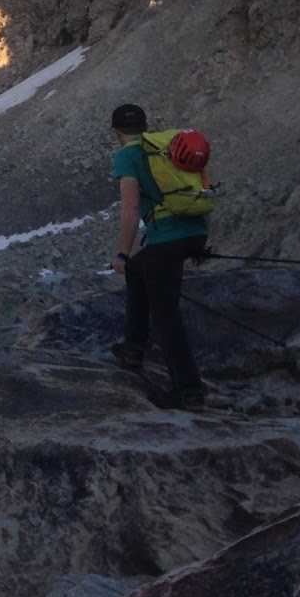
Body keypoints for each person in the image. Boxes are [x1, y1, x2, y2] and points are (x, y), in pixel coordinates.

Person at [108, 103, 208, 408]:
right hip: (197, 230)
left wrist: (122, 254)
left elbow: (131, 207)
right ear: (145, 126)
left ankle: (188, 390)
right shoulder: (164, 147)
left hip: (167, 237)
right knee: (140, 271)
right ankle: (134, 348)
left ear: (116, 132)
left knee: (167, 313)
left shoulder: (126, 155)